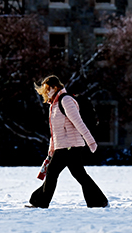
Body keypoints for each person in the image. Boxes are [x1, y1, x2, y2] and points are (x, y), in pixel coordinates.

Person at [27, 75, 108, 208]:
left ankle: (40, 202)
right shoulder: (54, 104)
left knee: (52, 173)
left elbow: (78, 122)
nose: (46, 93)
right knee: (79, 174)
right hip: (64, 146)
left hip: (70, 146)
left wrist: (91, 142)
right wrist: (51, 150)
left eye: (47, 89)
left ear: (54, 87)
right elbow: (55, 132)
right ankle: (99, 201)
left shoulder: (66, 101)